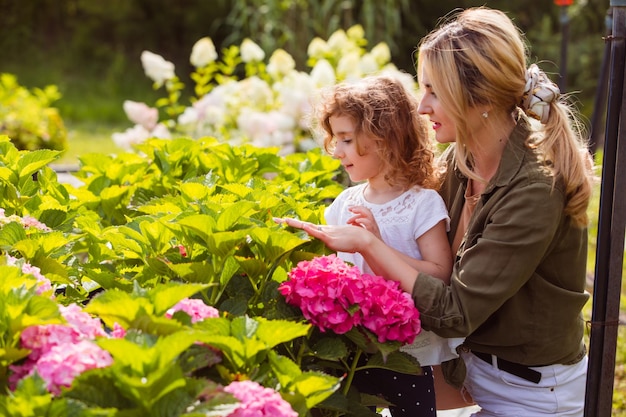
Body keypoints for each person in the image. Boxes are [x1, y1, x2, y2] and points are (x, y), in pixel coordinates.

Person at [280, 7, 594, 416]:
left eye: (433, 91)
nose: (421, 106)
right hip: (471, 369)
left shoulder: (534, 189)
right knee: (327, 388)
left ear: (479, 98)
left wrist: (366, 243)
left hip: (528, 391)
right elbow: (398, 204)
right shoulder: (464, 158)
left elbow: (454, 313)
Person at [310, 74, 458, 417]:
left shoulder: (421, 204)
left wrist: (375, 244)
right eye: (335, 138)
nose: (336, 150)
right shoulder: (342, 204)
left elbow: (440, 274)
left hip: (407, 355)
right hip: (353, 346)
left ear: (384, 139)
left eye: (346, 139)